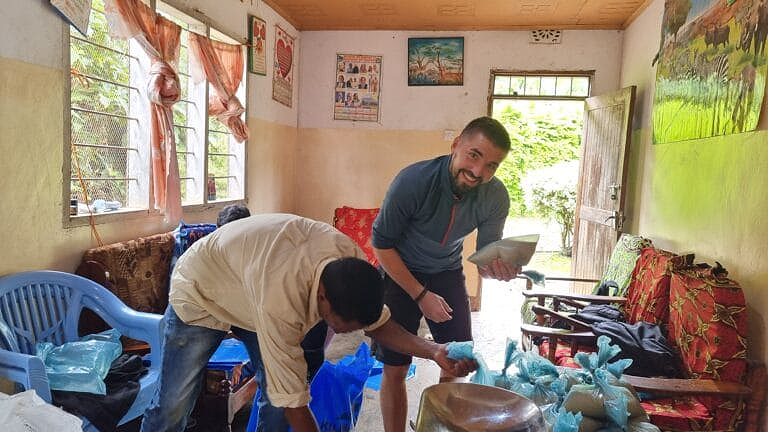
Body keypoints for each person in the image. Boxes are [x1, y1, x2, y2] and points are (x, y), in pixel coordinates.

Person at [140, 213, 475, 432]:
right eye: (343, 326)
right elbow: (297, 406)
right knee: (174, 403)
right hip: (202, 290)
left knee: (274, 398)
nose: (346, 334)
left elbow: (380, 324)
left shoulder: (348, 261)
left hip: (249, 280)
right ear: (323, 299)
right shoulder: (281, 304)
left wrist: (434, 351)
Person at [371, 116, 520, 432]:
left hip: (446, 270)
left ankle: (438, 426)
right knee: (395, 366)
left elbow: (484, 258)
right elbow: (381, 245)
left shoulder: (495, 197)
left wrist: (499, 268)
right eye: (474, 155)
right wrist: (421, 295)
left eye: (492, 165)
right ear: (456, 146)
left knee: (459, 361)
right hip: (399, 268)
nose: (479, 172)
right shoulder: (413, 181)